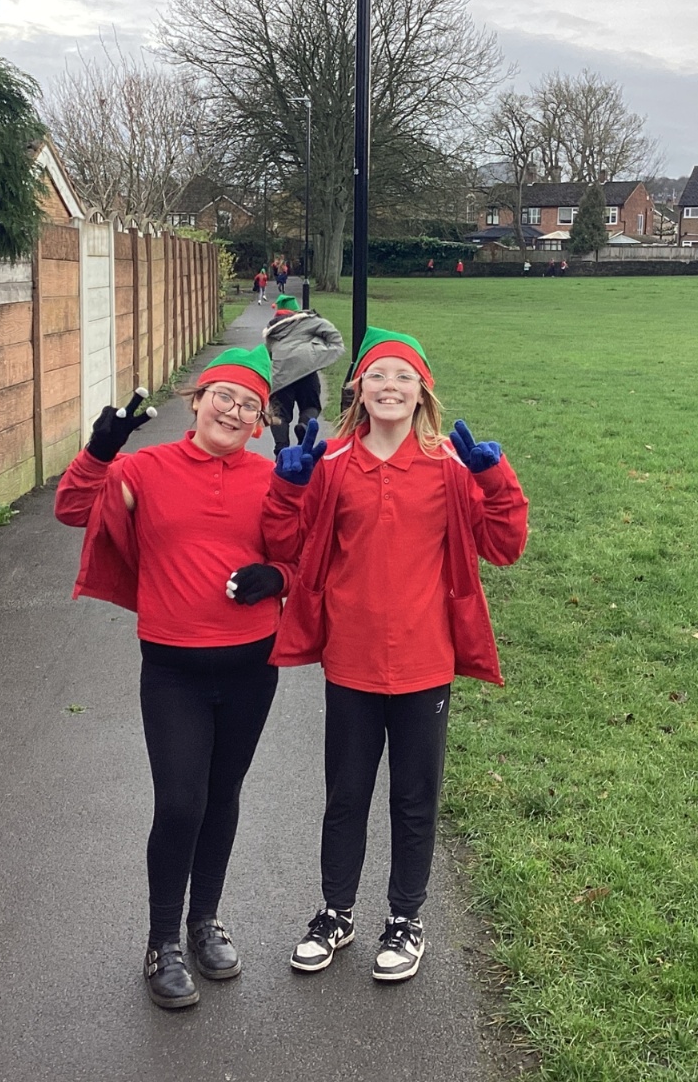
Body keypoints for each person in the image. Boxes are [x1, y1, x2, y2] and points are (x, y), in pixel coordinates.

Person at [263, 328, 529, 984]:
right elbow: (287, 546)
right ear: (358, 389)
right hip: (351, 660)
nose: (389, 387)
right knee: (346, 795)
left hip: (423, 661)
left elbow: (504, 546)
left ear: (422, 392)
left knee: (414, 798)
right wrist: (289, 488)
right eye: (378, 376)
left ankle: (405, 919)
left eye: (403, 377)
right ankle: (335, 912)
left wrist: (496, 480)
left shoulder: (449, 469)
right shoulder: (332, 465)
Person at [54, 346, 294, 1010]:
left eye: (249, 406)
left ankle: (204, 921)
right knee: (181, 802)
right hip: (173, 669)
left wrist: (278, 577)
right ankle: (162, 941)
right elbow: (72, 509)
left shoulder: (272, 479)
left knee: (222, 796)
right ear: (197, 402)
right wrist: (100, 450)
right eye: (224, 396)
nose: (234, 411)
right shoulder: (146, 469)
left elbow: (305, 556)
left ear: (259, 424)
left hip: (253, 666)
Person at [263, 294, 344, 452]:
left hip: (281, 376)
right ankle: (304, 425)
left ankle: (281, 449)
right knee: (311, 405)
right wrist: (319, 352)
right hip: (307, 371)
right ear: (297, 310)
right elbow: (333, 335)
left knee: (279, 413)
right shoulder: (309, 321)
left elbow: (268, 354)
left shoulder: (272, 331)